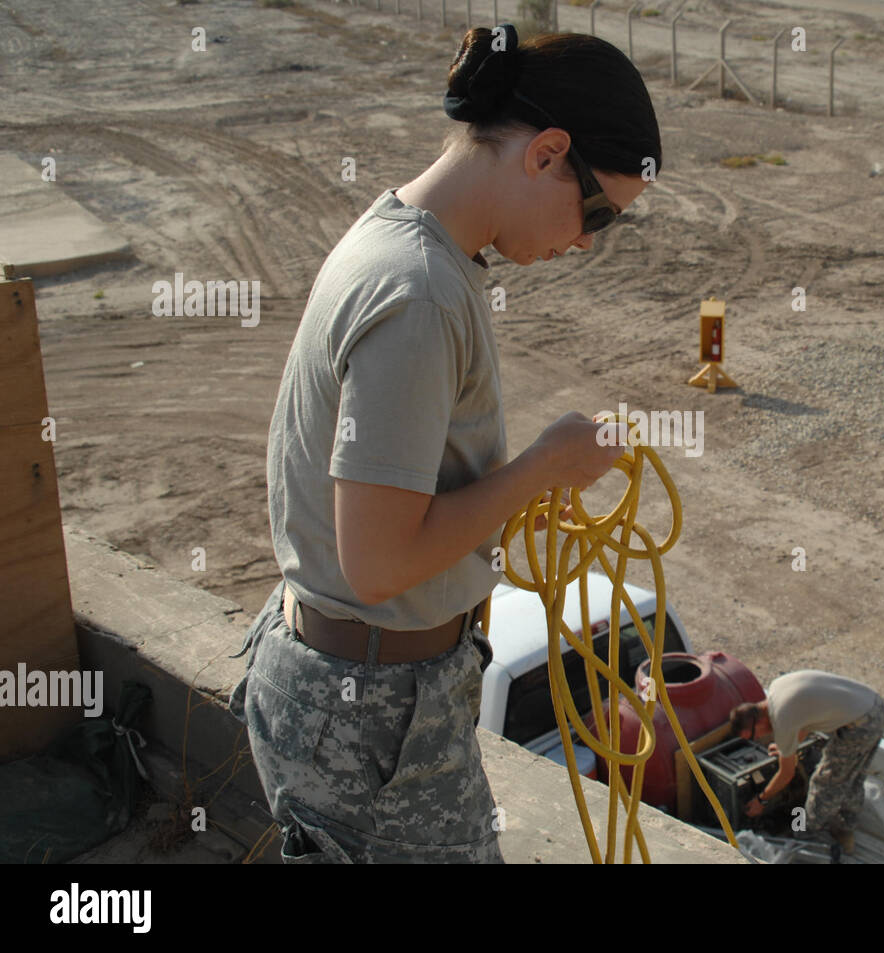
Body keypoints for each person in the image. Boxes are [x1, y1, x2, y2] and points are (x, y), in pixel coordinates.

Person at [228, 24, 662, 863]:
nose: (584, 243)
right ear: (546, 154)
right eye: (598, 214)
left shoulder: (410, 244)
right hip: (369, 720)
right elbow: (379, 562)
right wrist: (542, 468)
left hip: (364, 693)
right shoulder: (419, 293)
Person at [730, 670, 884, 860]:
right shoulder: (776, 690)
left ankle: (807, 834)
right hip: (873, 707)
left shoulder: (782, 719)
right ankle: (847, 828)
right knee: (852, 775)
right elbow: (803, 722)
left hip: (860, 726)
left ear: (759, 721)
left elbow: (786, 773)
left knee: (824, 782)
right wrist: (787, 749)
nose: (758, 739)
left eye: (753, 735)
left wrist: (761, 800)